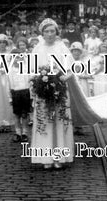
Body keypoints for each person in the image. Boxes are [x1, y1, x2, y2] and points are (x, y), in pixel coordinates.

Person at [31, 18, 75, 169]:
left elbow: (71, 69)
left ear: (56, 32)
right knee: (45, 121)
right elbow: (32, 71)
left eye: (52, 31)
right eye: (46, 31)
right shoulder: (37, 49)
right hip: (43, 91)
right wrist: (39, 81)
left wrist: (62, 78)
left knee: (59, 119)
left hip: (60, 90)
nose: (49, 34)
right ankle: (46, 158)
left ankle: (59, 157)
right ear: (42, 33)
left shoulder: (62, 48)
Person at [7, 48, 32, 143]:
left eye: (18, 58)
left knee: (25, 114)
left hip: (25, 92)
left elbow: (30, 82)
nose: (17, 60)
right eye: (14, 58)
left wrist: (31, 97)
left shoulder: (26, 68)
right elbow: (8, 84)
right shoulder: (10, 70)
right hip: (15, 93)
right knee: (17, 114)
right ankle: (18, 133)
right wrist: (10, 97)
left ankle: (25, 133)